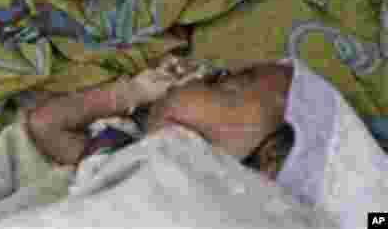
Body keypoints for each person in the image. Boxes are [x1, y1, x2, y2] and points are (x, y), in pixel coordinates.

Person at [23, 56, 296, 179]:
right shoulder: (125, 161)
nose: (197, 76)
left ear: (270, 156)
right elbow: (46, 124)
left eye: (220, 83)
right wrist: (131, 93)